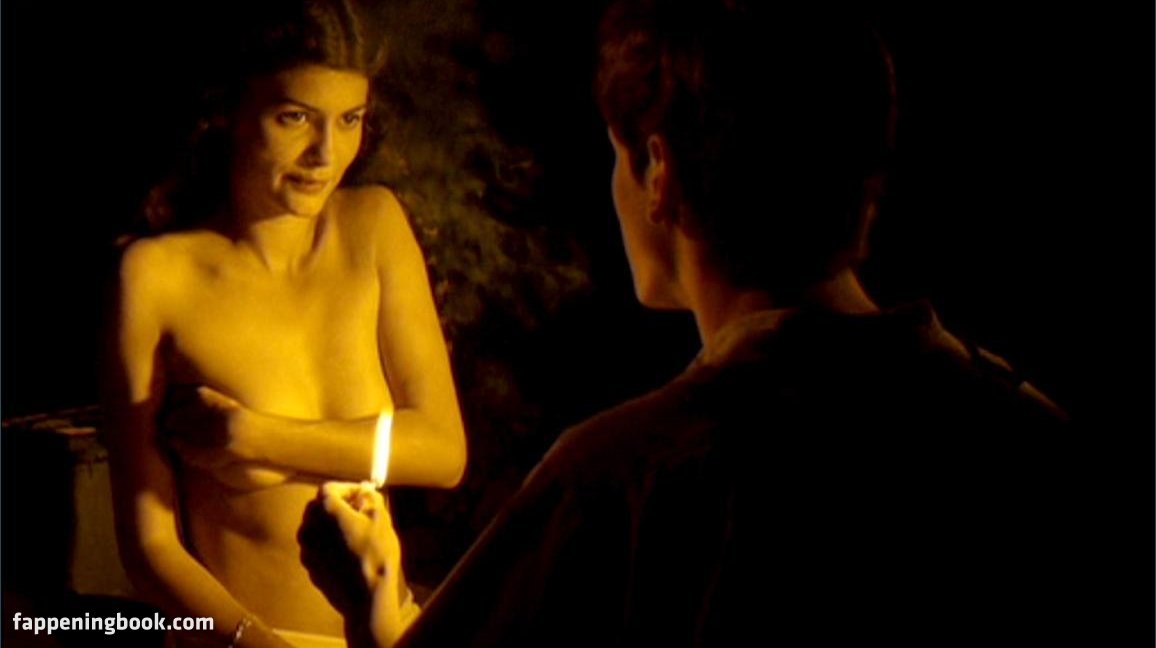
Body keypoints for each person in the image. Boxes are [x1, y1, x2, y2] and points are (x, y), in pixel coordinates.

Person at [300, 1, 1086, 646]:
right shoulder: (1032, 434)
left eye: (617, 157)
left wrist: (373, 610)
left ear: (659, 172)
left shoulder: (623, 482)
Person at [102, 1, 465, 646]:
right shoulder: (155, 277)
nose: (326, 153)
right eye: (295, 117)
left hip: (392, 631)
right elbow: (149, 548)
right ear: (228, 110)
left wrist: (256, 436)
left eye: (349, 120)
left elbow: (443, 452)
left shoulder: (374, 228)